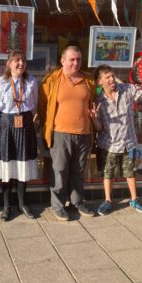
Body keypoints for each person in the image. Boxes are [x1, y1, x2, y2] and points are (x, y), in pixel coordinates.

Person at [38, 45, 96, 221]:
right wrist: (47, 126)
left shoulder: (89, 80)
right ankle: (57, 206)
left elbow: (95, 101)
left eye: (78, 59)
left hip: (83, 133)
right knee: (60, 170)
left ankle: (77, 202)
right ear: (62, 61)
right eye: (71, 59)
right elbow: (42, 106)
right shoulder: (52, 80)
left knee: (78, 171)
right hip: (60, 133)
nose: (75, 63)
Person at [92, 64, 142, 216]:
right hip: (109, 144)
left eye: (112, 75)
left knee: (130, 172)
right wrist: (94, 118)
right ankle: (107, 201)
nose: (112, 79)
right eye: (107, 77)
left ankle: (134, 199)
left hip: (128, 141)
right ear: (100, 81)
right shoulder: (98, 100)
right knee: (108, 174)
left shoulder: (127, 90)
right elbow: (99, 128)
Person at [0, 49, 38, 221]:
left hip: (25, 124)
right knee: (7, 166)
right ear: (9, 64)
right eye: (17, 60)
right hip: (6, 125)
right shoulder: (1, 83)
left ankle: (22, 203)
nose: (21, 64)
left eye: (23, 60)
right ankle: (6, 206)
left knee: (23, 166)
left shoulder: (32, 81)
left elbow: (34, 106)